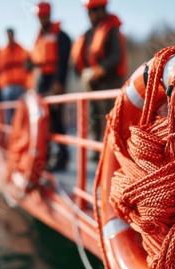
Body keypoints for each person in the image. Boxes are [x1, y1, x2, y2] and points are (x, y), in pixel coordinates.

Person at [72, 0, 127, 158]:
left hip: (110, 83)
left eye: (91, 12)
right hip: (94, 85)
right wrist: (85, 73)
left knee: (112, 117)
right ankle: (97, 152)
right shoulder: (89, 33)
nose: (89, 16)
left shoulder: (111, 30)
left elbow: (116, 56)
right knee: (94, 117)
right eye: (88, 12)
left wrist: (98, 71)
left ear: (101, 11)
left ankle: (114, 153)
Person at [29, 2, 71, 171]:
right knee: (45, 122)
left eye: (44, 16)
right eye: (40, 17)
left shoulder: (61, 36)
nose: (42, 20)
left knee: (57, 121)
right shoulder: (40, 36)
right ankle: (47, 156)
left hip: (55, 81)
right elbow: (35, 60)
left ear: (49, 15)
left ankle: (62, 157)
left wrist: (59, 83)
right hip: (43, 82)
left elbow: (63, 62)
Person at [0, 28, 30, 125]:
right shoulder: (2, 52)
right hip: (7, 86)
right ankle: (10, 135)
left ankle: (18, 133)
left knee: (19, 113)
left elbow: (28, 64)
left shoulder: (21, 49)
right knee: (8, 113)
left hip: (20, 85)